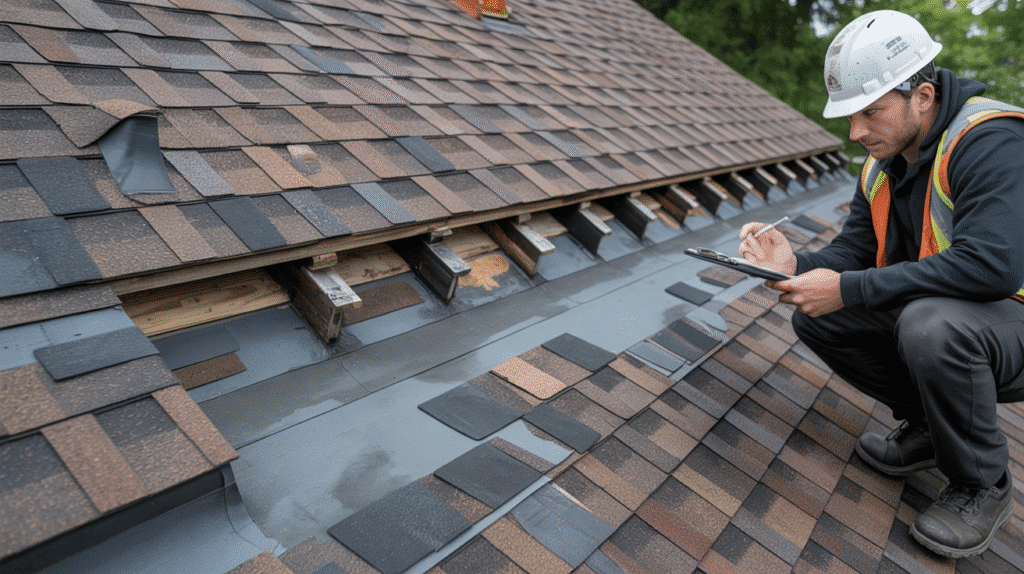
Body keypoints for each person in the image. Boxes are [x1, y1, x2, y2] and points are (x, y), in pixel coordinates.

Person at [738, 9, 1024, 558]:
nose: (857, 132)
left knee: (928, 325)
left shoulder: (991, 141)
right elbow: (853, 255)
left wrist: (848, 288)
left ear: (923, 96)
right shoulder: (883, 162)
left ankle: (981, 484)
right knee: (821, 315)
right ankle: (931, 431)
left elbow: (992, 267)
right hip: (961, 316)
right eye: (851, 116)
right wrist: (794, 264)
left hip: (1011, 316)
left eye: (871, 112)